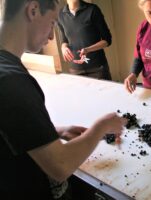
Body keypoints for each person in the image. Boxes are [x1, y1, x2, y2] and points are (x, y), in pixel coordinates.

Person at [0, 0, 126, 199]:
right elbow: (60, 166)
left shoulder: (6, 66)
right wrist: (101, 126)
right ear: (33, 10)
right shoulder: (12, 80)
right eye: (52, 22)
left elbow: (8, 131)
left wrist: (55, 131)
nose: (51, 36)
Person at [57, 0, 112, 80]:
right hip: (75, 70)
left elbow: (107, 40)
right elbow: (64, 40)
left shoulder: (93, 9)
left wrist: (88, 49)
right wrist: (63, 48)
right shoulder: (60, 15)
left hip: (98, 68)